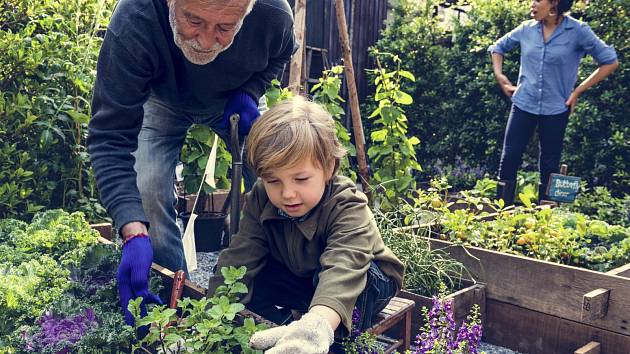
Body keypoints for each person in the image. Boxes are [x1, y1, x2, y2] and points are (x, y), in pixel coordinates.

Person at [87, 0, 296, 325]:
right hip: (162, 100)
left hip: (233, 97)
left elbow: (282, 53)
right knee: (148, 189)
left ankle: (279, 285)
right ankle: (173, 300)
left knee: (281, 173)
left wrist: (251, 91)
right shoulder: (135, 18)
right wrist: (131, 227)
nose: (206, 40)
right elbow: (110, 135)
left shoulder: (273, 13)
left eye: (225, 28)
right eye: (193, 20)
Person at [207, 97, 405, 354]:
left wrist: (317, 326)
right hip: (304, 277)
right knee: (239, 277)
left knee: (359, 282)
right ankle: (281, 336)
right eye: (273, 181)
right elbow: (241, 254)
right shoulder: (261, 197)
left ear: (329, 167)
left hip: (362, 280)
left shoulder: (348, 204)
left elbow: (344, 266)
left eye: (300, 179)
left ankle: (319, 341)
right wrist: (209, 320)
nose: (287, 193)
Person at [489, 0, 618, 205]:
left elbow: (610, 60)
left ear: (554, 4)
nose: (532, 4)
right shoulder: (526, 29)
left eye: (537, 0)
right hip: (524, 103)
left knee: (550, 164)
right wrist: (499, 75)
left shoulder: (578, 31)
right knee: (510, 158)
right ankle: (500, 216)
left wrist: (577, 91)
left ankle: (545, 221)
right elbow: (498, 48)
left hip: (556, 108)